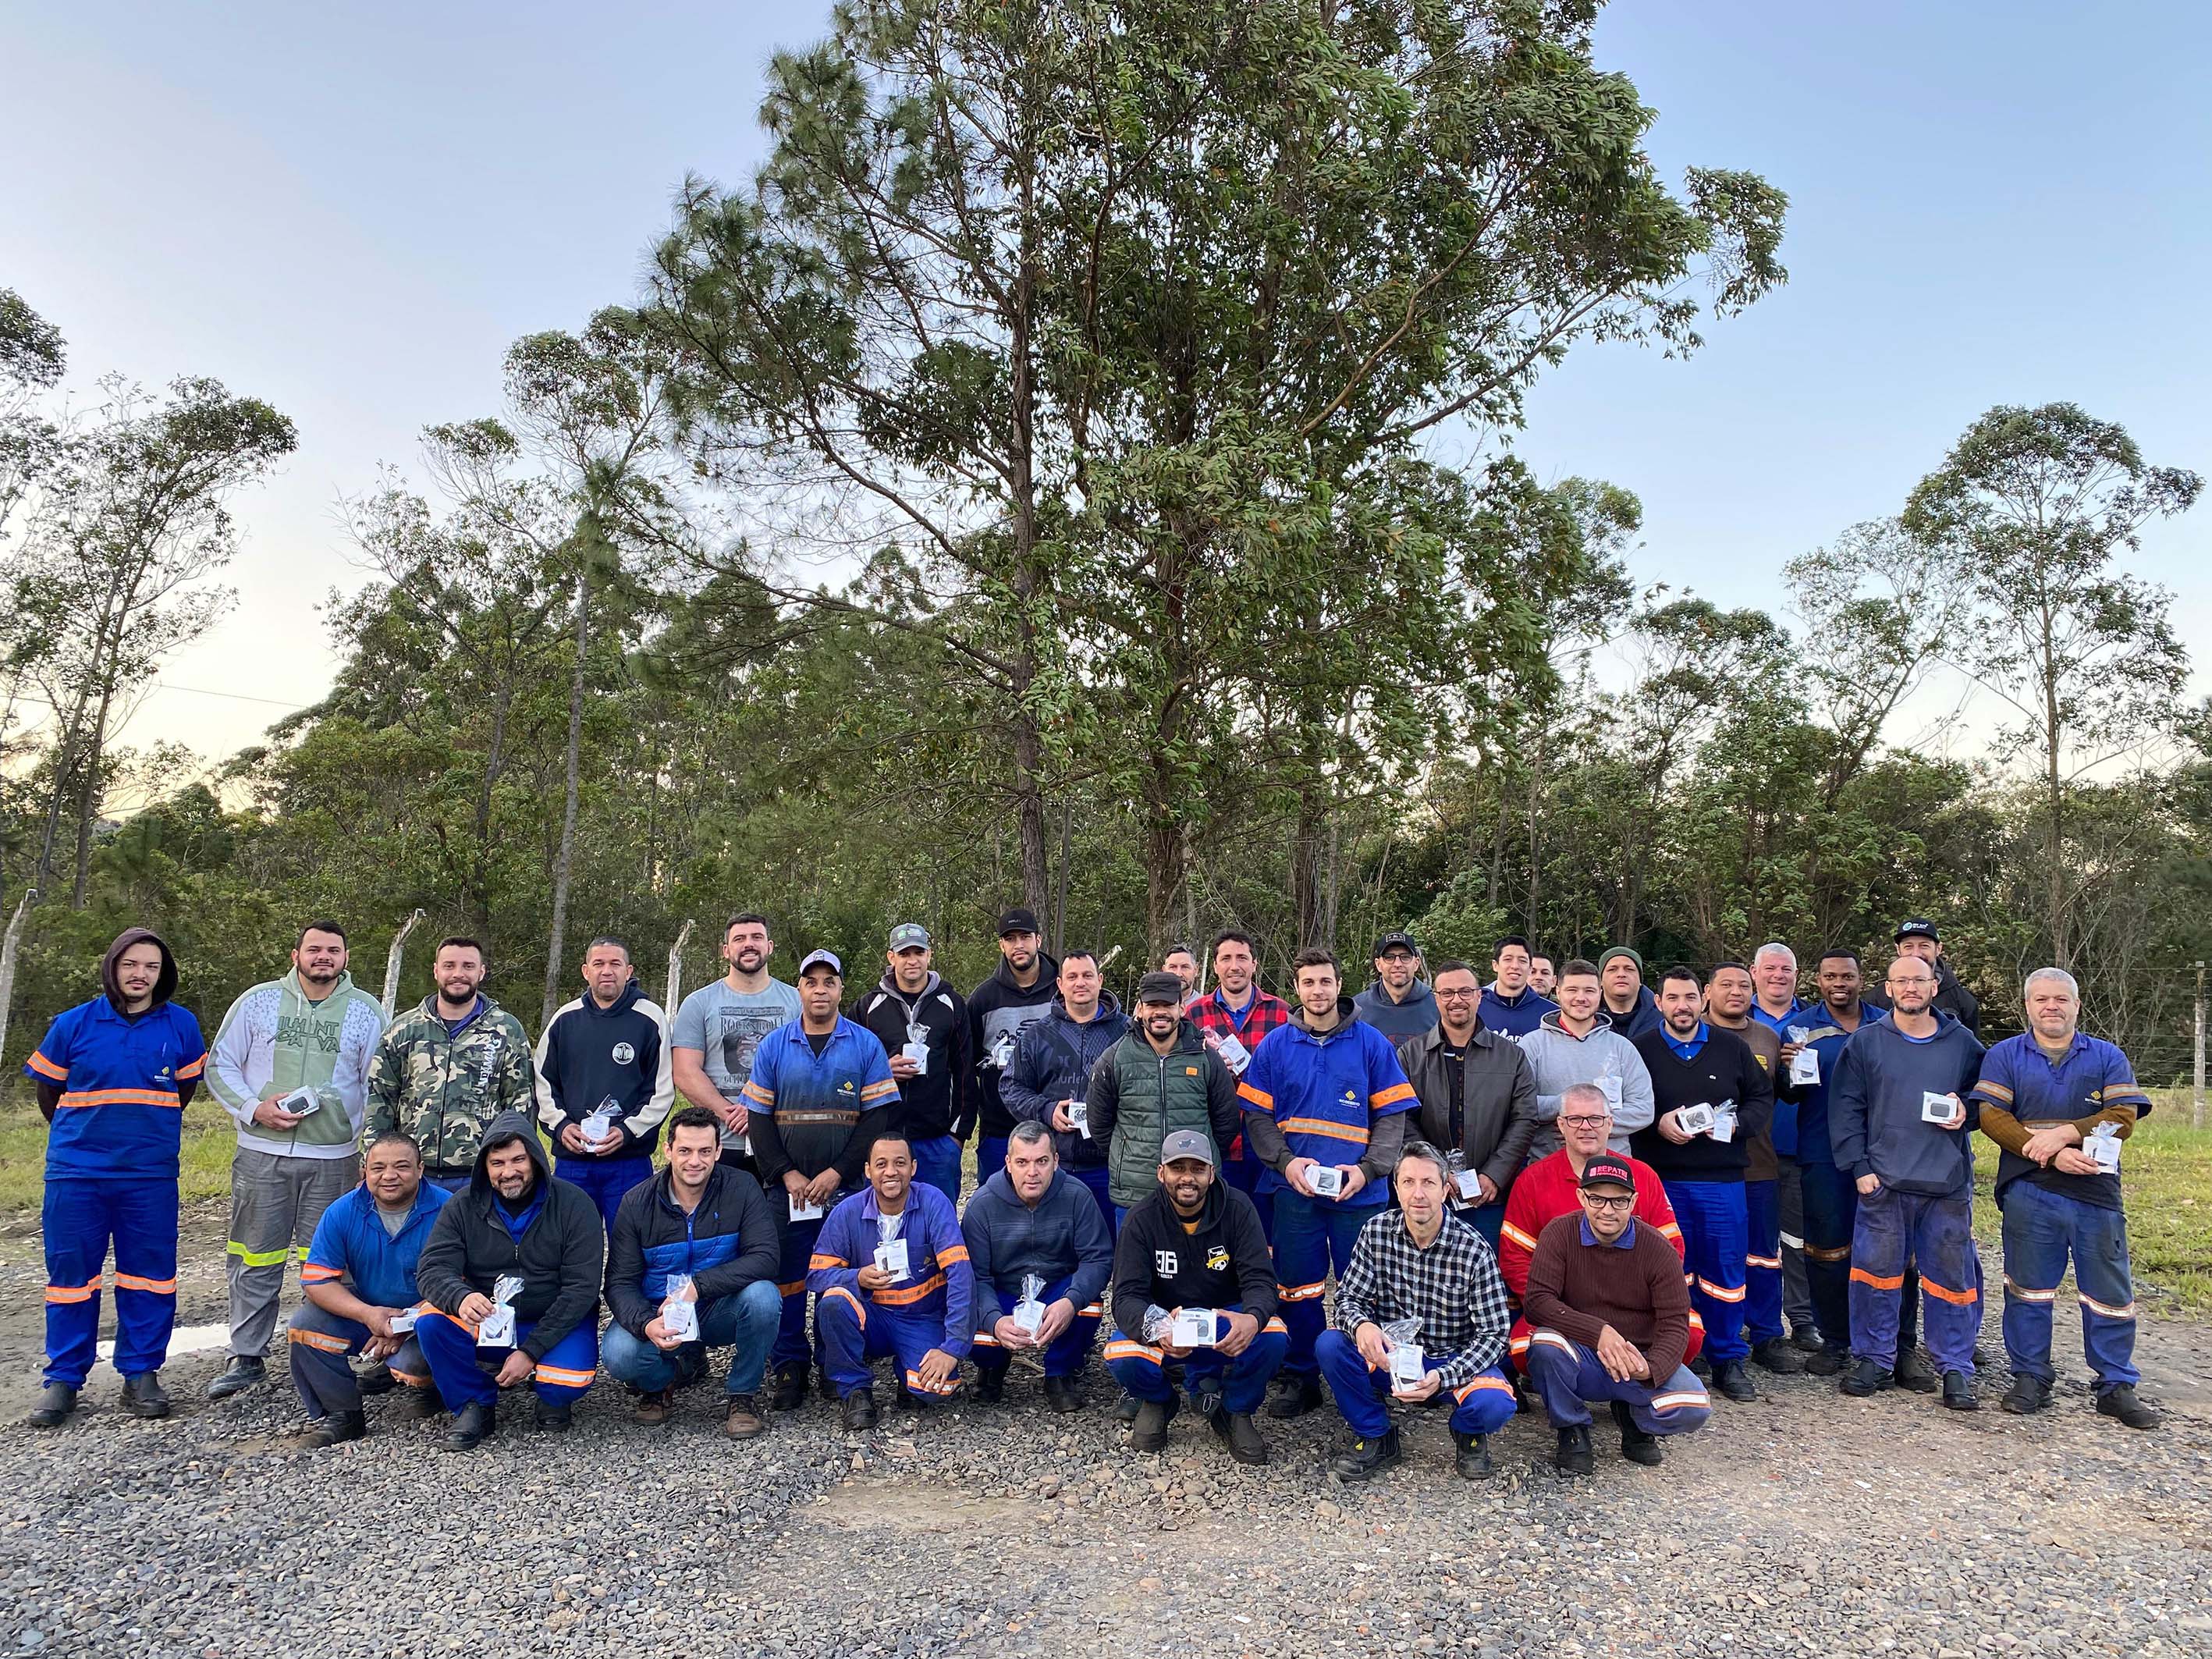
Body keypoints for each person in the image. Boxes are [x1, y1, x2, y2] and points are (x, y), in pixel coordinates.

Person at [24, 927, 207, 1429]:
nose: (140, 974)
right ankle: (63, 1379)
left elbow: (183, 1090)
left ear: (161, 973)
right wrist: (83, 1138)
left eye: (150, 966)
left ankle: (141, 1373)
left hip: (149, 1175)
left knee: (148, 1275)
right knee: (70, 1280)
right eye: (130, 964)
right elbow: (48, 1092)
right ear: (113, 967)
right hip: (76, 1174)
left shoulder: (182, 1025)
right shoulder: (73, 1024)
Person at [204, 921, 386, 1402]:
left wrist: (369, 1148)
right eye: (314, 949)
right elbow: (218, 1064)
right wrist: (254, 1108)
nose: (322, 957)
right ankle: (246, 1355)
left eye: (333, 950)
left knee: (327, 1260)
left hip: (334, 1158)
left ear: (346, 958)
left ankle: (325, 1349)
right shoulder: (257, 1001)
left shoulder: (367, 1013)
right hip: (261, 1153)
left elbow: (379, 1087)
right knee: (254, 1254)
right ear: (295, 955)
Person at [1972, 968, 2159, 1430]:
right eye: (2041, 999)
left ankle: (2115, 1385)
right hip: (2030, 1189)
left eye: (2060, 999)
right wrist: (2052, 1157)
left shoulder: (2106, 1056)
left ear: (2077, 1005)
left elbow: (2123, 1113)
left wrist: (2065, 1134)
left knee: (2109, 1292)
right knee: (2028, 1288)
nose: (2051, 1006)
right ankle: (2031, 1376)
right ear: (2028, 1006)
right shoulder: (2005, 1055)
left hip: (2096, 1191)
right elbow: (1993, 1116)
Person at [1237, 947, 1417, 1419]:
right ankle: (1302, 1377)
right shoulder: (1276, 1045)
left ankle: (1372, 1375)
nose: (1318, 991)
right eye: (1308, 983)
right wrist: (1283, 1163)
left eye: (1326, 982)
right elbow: (1257, 1116)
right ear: (1297, 989)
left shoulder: (1372, 1042)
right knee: (1298, 1287)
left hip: (1359, 1193)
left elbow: (1392, 1119)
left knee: (1369, 1288)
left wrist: (1369, 1170)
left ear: (1340, 985)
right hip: (1294, 1192)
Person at [744, 949, 901, 1409]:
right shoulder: (774, 1045)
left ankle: (838, 1361)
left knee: (843, 1276)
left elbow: (876, 1120)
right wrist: (786, 1174)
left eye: (828, 982)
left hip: (848, 1189)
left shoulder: (865, 1044)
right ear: (800, 989)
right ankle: (789, 1364)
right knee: (787, 1277)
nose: (820, 990)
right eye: (811, 982)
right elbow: (758, 1119)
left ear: (840, 989)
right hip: (787, 1191)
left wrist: (837, 1173)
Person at [1829, 954, 1986, 1412]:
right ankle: (1875, 1359)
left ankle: (1956, 1367)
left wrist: (1969, 1111)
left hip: (1946, 1184)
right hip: (1884, 1183)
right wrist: (1860, 1169)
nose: (1911, 988)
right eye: (1902, 981)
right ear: (1889, 989)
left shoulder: (1963, 1044)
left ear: (1935, 986)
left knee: (1951, 1280)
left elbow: (1988, 1100)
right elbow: (1845, 1111)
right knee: (1875, 1277)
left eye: (1920, 980)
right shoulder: (1865, 1043)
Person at [1316, 1142, 1518, 1482]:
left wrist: (1444, 1376)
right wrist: (1363, 1325)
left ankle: (1467, 1432)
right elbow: (1348, 1297)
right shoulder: (1376, 1231)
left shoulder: (1474, 1249)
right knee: (1331, 1345)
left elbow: (1495, 1336)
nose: (1418, 1194)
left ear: (1445, 1190)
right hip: (1390, 1356)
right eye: (1408, 1182)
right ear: (1396, 1188)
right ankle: (1377, 1434)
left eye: (1428, 1183)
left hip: (1451, 1360)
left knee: (1495, 1404)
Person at [412, 1111, 605, 1449]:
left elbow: (582, 1288)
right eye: (497, 1163)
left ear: (536, 1159)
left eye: (518, 1160)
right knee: (430, 1322)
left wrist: (531, 1352)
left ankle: (551, 1396)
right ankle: (474, 1404)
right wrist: (460, 1297)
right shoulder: (461, 1206)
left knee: (566, 1383)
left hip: (554, 1317)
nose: (509, 1172)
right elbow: (432, 1268)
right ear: (484, 1167)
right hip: (489, 1319)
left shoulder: (575, 1204)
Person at [1629, 966, 1770, 1404]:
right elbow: (1626, 1106)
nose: (1682, 1006)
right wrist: (1657, 1126)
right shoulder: (1641, 1049)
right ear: (1659, 1003)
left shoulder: (1730, 1048)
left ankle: (1728, 1356)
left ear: (1702, 1000)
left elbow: (1761, 1098)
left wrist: (1733, 1125)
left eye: (1690, 998)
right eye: (1673, 998)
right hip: (1661, 1179)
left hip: (1721, 1178)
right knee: (1668, 1272)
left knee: (1725, 1272)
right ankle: (1679, 1356)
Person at [1523, 1153, 1712, 1475]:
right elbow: (1538, 1302)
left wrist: (1649, 1369)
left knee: (1696, 1406)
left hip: (1635, 1357)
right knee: (1543, 1344)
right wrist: (1599, 1333)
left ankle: (1635, 1417)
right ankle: (1572, 1428)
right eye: (1597, 1199)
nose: (1607, 1210)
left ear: (1634, 1201)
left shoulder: (1657, 1249)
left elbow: (1675, 1323)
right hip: (1581, 1354)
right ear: (1581, 1196)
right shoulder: (1559, 1234)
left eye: (1619, 1201)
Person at [1105, 1131, 1287, 1464]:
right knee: (1120, 1351)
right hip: (1169, 1327)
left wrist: (1251, 1318)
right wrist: (1159, 1328)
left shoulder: (1238, 1208)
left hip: (1222, 1321)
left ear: (1211, 1173)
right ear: (1161, 1173)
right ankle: (1159, 1400)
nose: (1187, 1178)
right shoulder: (1140, 1219)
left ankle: (1235, 1410)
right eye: (1177, 1168)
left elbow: (1261, 1281)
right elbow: (1126, 1297)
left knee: (1274, 1335)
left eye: (1197, 1169)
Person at [602, 1105, 783, 1437]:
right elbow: (618, 1283)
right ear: (668, 1150)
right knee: (619, 1354)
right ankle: (661, 1382)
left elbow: (766, 1257)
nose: (694, 1161)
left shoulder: (742, 1188)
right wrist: (646, 1323)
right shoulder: (636, 1202)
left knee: (764, 1298)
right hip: (660, 1311)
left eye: (704, 1151)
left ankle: (742, 1395)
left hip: (717, 1307)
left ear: (717, 1152)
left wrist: (699, 1286)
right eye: (684, 1150)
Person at [1497, 1084, 1700, 1373]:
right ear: (1560, 1125)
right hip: (1565, 1308)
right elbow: (1516, 1260)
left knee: (1690, 1334)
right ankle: (1571, 1384)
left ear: (1610, 1123)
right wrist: (1571, 1314)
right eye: (1575, 1119)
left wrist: (1627, 1307)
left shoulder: (1643, 1176)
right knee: (1522, 1348)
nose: (1586, 1128)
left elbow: (1672, 1249)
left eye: (1595, 1119)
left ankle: (1633, 1390)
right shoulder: (1533, 1180)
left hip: (1635, 1309)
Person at [286, 1131, 449, 1445]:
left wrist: (408, 1321)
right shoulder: (342, 1211)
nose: (389, 1176)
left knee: (414, 1364)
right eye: (378, 1168)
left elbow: (467, 1281)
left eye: (402, 1167)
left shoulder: (450, 1208)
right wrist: (368, 1315)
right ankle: (343, 1415)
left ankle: (434, 1391)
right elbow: (317, 1281)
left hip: (432, 1314)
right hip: (372, 1313)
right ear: (365, 1171)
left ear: (420, 1169)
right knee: (305, 1327)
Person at [808, 1132, 976, 1429]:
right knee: (833, 1302)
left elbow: (960, 1274)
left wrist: (953, 1348)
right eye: (881, 1164)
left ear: (913, 1167)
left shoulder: (934, 1203)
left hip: (920, 1317)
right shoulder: (847, 1211)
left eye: (899, 1163)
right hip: (870, 1317)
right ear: (867, 1170)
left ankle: (906, 1370)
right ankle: (855, 1389)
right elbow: (817, 1275)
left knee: (938, 1389)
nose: (890, 1172)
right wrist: (856, 1277)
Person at [1788, 949, 1898, 1379]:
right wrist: (1786, 1071)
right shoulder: (1803, 1029)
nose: (1840, 983)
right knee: (1827, 1250)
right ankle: (1835, 1340)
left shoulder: (1885, 1022)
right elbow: (1790, 1094)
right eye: (1830, 976)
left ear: (1860, 979)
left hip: (1884, 1153)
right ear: (1817, 981)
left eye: (1847, 976)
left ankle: (1892, 1344)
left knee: (1890, 1253)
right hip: (1822, 1152)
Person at [962, 1124, 1115, 1409]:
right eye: (1022, 1162)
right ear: (1008, 1163)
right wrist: (995, 1321)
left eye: (1042, 1161)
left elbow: (1098, 1259)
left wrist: (1069, 1302)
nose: (1032, 1172)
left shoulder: (1077, 1196)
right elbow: (975, 1277)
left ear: (1056, 1161)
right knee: (970, 1318)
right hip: (1004, 1294)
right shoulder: (982, 1205)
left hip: (1056, 1292)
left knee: (1089, 1303)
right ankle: (992, 1366)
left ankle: (1060, 1370)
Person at [364, 936, 534, 1193]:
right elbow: (380, 1099)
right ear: (436, 970)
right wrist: (371, 1161)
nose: (458, 974)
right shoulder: (403, 1029)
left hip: (479, 1172)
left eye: (468, 966)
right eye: (449, 966)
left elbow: (520, 1103)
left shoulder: (507, 1030)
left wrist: (513, 1166)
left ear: (482, 972)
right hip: (411, 1173)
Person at [533, 936, 675, 1235]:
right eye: (599, 964)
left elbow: (661, 1091)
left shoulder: (651, 1018)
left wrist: (626, 1132)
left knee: (630, 1245)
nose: (607, 971)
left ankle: (621, 1287)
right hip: (574, 1161)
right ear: (586, 971)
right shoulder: (564, 1019)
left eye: (615, 964)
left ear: (629, 970)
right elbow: (543, 1082)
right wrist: (560, 1126)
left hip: (628, 1161)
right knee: (570, 1243)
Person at [1084, 972, 1244, 1231]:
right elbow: (1099, 1124)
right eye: (1152, 1005)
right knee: (1136, 1270)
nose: (1160, 1012)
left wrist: (1200, 1159)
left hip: (1195, 1192)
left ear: (1182, 1008)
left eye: (1168, 1005)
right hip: (1135, 1194)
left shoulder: (1206, 1058)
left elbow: (1226, 1123)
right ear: (1139, 1008)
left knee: (1198, 1270)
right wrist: (1128, 1156)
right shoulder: (1115, 1058)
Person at [1395, 960, 1539, 1245]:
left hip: (1490, 1197)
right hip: (1430, 1194)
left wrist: (1494, 1176)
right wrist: (1436, 1172)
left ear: (1479, 996)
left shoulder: (1512, 1056)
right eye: (1447, 993)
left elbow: (1524, 1119)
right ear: (1435, 999)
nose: (1456, 1000)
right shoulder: (1411, 1055)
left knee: (1487, 1277)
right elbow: (1402, 1119)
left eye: (1464, 992)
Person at [1704, 962, 1802, 1377]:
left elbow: (1784, 1095)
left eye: (1744, 986)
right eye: (1726, 985)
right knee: (1707, 1256)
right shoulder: (1694, 1035)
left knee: (1763, 1256)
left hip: (1759, 1165)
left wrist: (1795, 1071)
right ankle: (1703, 1335)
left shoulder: (1768, 1037)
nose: (1736, 992)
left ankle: (1765, 1334)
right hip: (1705, 1169)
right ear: (1708, 991)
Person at [999, 949, 1130, 1231]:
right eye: (1072, 977)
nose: (1080, 983)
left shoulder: (1127, 1033)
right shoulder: (1038, 1034)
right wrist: (1047, 1110)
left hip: (1111, 1165)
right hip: (1055, 1167)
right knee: (1059, 1251)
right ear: (1060, 984)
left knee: (1111, 1250)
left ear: (1100, 980)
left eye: (1087, 976)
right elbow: (1010, 1086)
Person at [669, 912, 802, 1176]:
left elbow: (807, 1066)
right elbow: (685, 1071)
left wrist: (759, 1112)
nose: (748, 944)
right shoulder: (699, 1003)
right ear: (726, 950)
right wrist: (729, 1114)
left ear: (770, 946)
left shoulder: (797, 1002)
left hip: (783, 1139)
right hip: (718, 1142)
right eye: (739, 939)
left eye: (757, 937)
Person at [851, 922, 970, 1204]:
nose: (912, 960)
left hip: (937, 1140)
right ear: (891, 958)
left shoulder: (951, 1003)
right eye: (904, 954)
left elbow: (965, 1070)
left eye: (918, 952)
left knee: (938, 1223)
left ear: (929, 954)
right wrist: (882, 1072)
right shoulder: (868, 1007)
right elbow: (849, 1068)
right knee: (883, 1221)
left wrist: (958, 1136)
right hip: (883, 1139)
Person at [1186, 929, 1293, 1224]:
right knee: (1221, 1220)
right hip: (1215, 1135)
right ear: (1216, 966)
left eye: (1242, 958)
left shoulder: (1282, 1013)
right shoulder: (1193, 1015)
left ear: (1254, 964)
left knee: (1267, 1224)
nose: (1235, 966)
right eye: (1226, 958)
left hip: (1268, 1135)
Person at [1749, 942, 1820, 1355]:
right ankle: (1752, 1317)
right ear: (1754, 972)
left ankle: (1802, 1317)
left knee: (1795, 1240)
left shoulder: (1811, 1021)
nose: (1778, 975)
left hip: (1797, 1147)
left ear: (1797, 974)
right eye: (1770, 968)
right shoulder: (1735, 1017)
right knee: (1751, 1243)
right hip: (1748, 1152)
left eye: (1786, 969)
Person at [1516, 957, 1656, 1161]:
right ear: (1558, 991)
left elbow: (1644, 1110)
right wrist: (1565, 1107)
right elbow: (1519, 1105)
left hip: (1612, 1170)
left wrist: (1585, 1126)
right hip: (1549, 1168)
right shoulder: (1532, 1045)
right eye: (1572, 990)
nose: (1581, 998)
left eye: (1589, 991)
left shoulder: (1622, 1047)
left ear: (1600, 993)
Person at [964, 908, 1061, 1180]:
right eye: (1010, 939)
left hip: (1056, 1124)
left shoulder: (1062, 990)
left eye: (1025, 937)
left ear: (1038, 940)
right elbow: (968, 1064)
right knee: (997, 1206)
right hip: (999, 1129)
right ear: (1001, 945)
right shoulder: (983, 999)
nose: (1019, 945)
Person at [1866, 918, 1980, 1032]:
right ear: (1898, 950)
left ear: (1938, 949)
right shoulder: (1875, 1000)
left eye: (1924, 946)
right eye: (1908, 946)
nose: (1916, 954)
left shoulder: (1963, 1002)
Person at [1352, 929, 1438, 1041]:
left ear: (1416, 964)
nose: (1398, 964)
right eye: (1389, 957)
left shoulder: (1437, 1006)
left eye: (1405, 957)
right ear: (1378, 964)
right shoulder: (1357, 1009)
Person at [1478, 935, 1557, 1038]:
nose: (1515, 966)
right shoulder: (1475, 1005)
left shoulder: (1551, 1014)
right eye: (1508, 959)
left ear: (1529, 968)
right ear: (1495, 965)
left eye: (1522, 961)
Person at [1597, 947, 1663, 1039]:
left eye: (1629, 969)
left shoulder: (1662, 1018)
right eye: (1612, 969)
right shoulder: (1587, 1017)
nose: (1621, 974)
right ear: (1601, 981)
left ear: (1640, 979)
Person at [1161, 944, 1202, 1008]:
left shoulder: (1206, 1007)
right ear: (1164, 970)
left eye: (1185, 967)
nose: (1178, 974)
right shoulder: (1150, 1005)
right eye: (1173, 967)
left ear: (1196, 970)